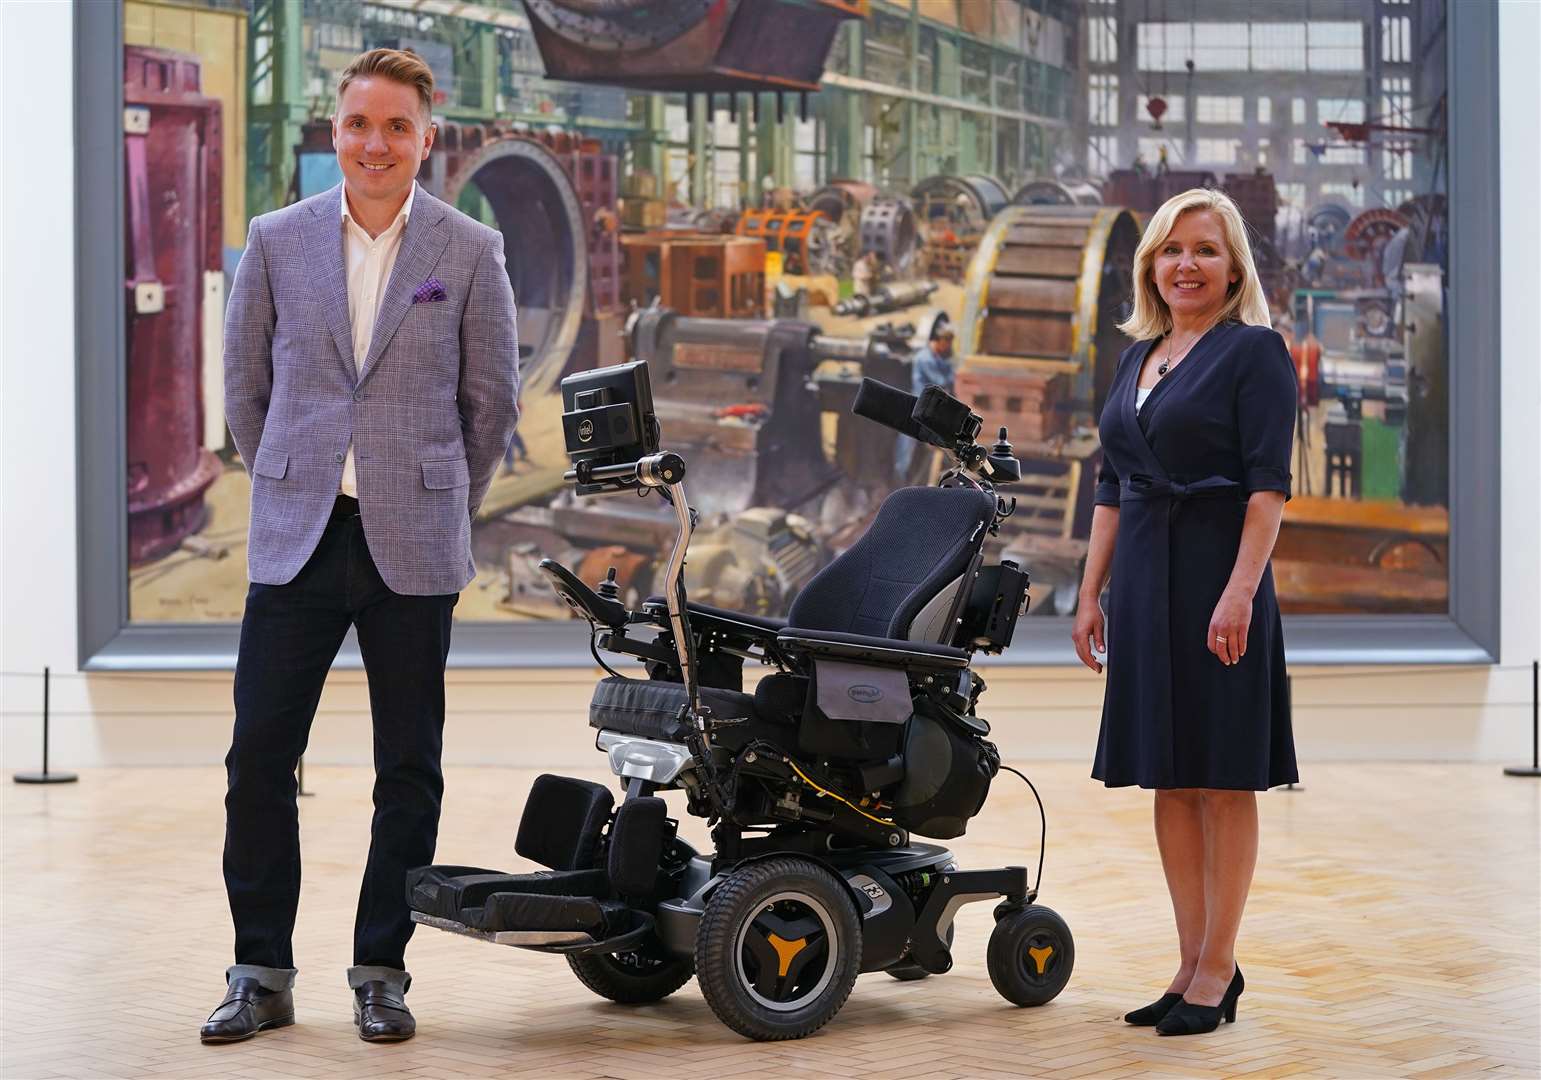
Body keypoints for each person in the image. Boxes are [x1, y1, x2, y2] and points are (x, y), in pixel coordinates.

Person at [202, 48, 519, 1045]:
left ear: (428, 138)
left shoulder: (468, 252)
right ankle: (259, 971)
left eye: (395, 127)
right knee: (257, 757)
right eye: (357, 125)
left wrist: (433, 493)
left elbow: (491, 406)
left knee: (408, 769)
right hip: (298, 537)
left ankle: (381, 968)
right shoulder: (276, 240)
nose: (374, 144)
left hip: (411, 546)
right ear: (332, 130)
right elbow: (245, 391)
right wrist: (292, 475)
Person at [1071, 188, 1297, 1038]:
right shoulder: (1137, 358)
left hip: (1216, 578)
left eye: (1202, 249)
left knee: (1222, 775)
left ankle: (1217, 967)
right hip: (1142, 582)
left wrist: (1239, 590)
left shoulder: (1255, 353)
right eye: (1170, 251)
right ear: (1149, 267)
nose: (1184, 265)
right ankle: (1189, 959)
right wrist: (1091, 593)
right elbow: (1112, 487)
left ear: (1232, 266)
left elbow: (1267, 486)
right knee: (1169, 774)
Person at [894, 321, 956, 479]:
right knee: (908, 444)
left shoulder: (938, 357)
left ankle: (921, 475)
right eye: (947, 342)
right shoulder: (925, 359)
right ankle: (899, 476)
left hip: (930, 407)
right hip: (918, 406)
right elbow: (942, 381)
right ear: (940, 340)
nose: (949, 347)